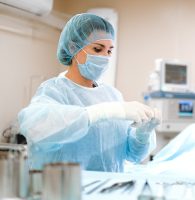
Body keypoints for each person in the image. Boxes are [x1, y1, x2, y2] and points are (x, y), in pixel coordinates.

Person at [18, 13, 161, 172]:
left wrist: (142, 134)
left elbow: (131, 155)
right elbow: (36, 126)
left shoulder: (113, 95)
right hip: (64, 189)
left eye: (109, 51)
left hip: (107, 190)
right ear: (73, 48)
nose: (105, 57)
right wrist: (99, 112)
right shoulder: (54, 90)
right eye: (98, 49)